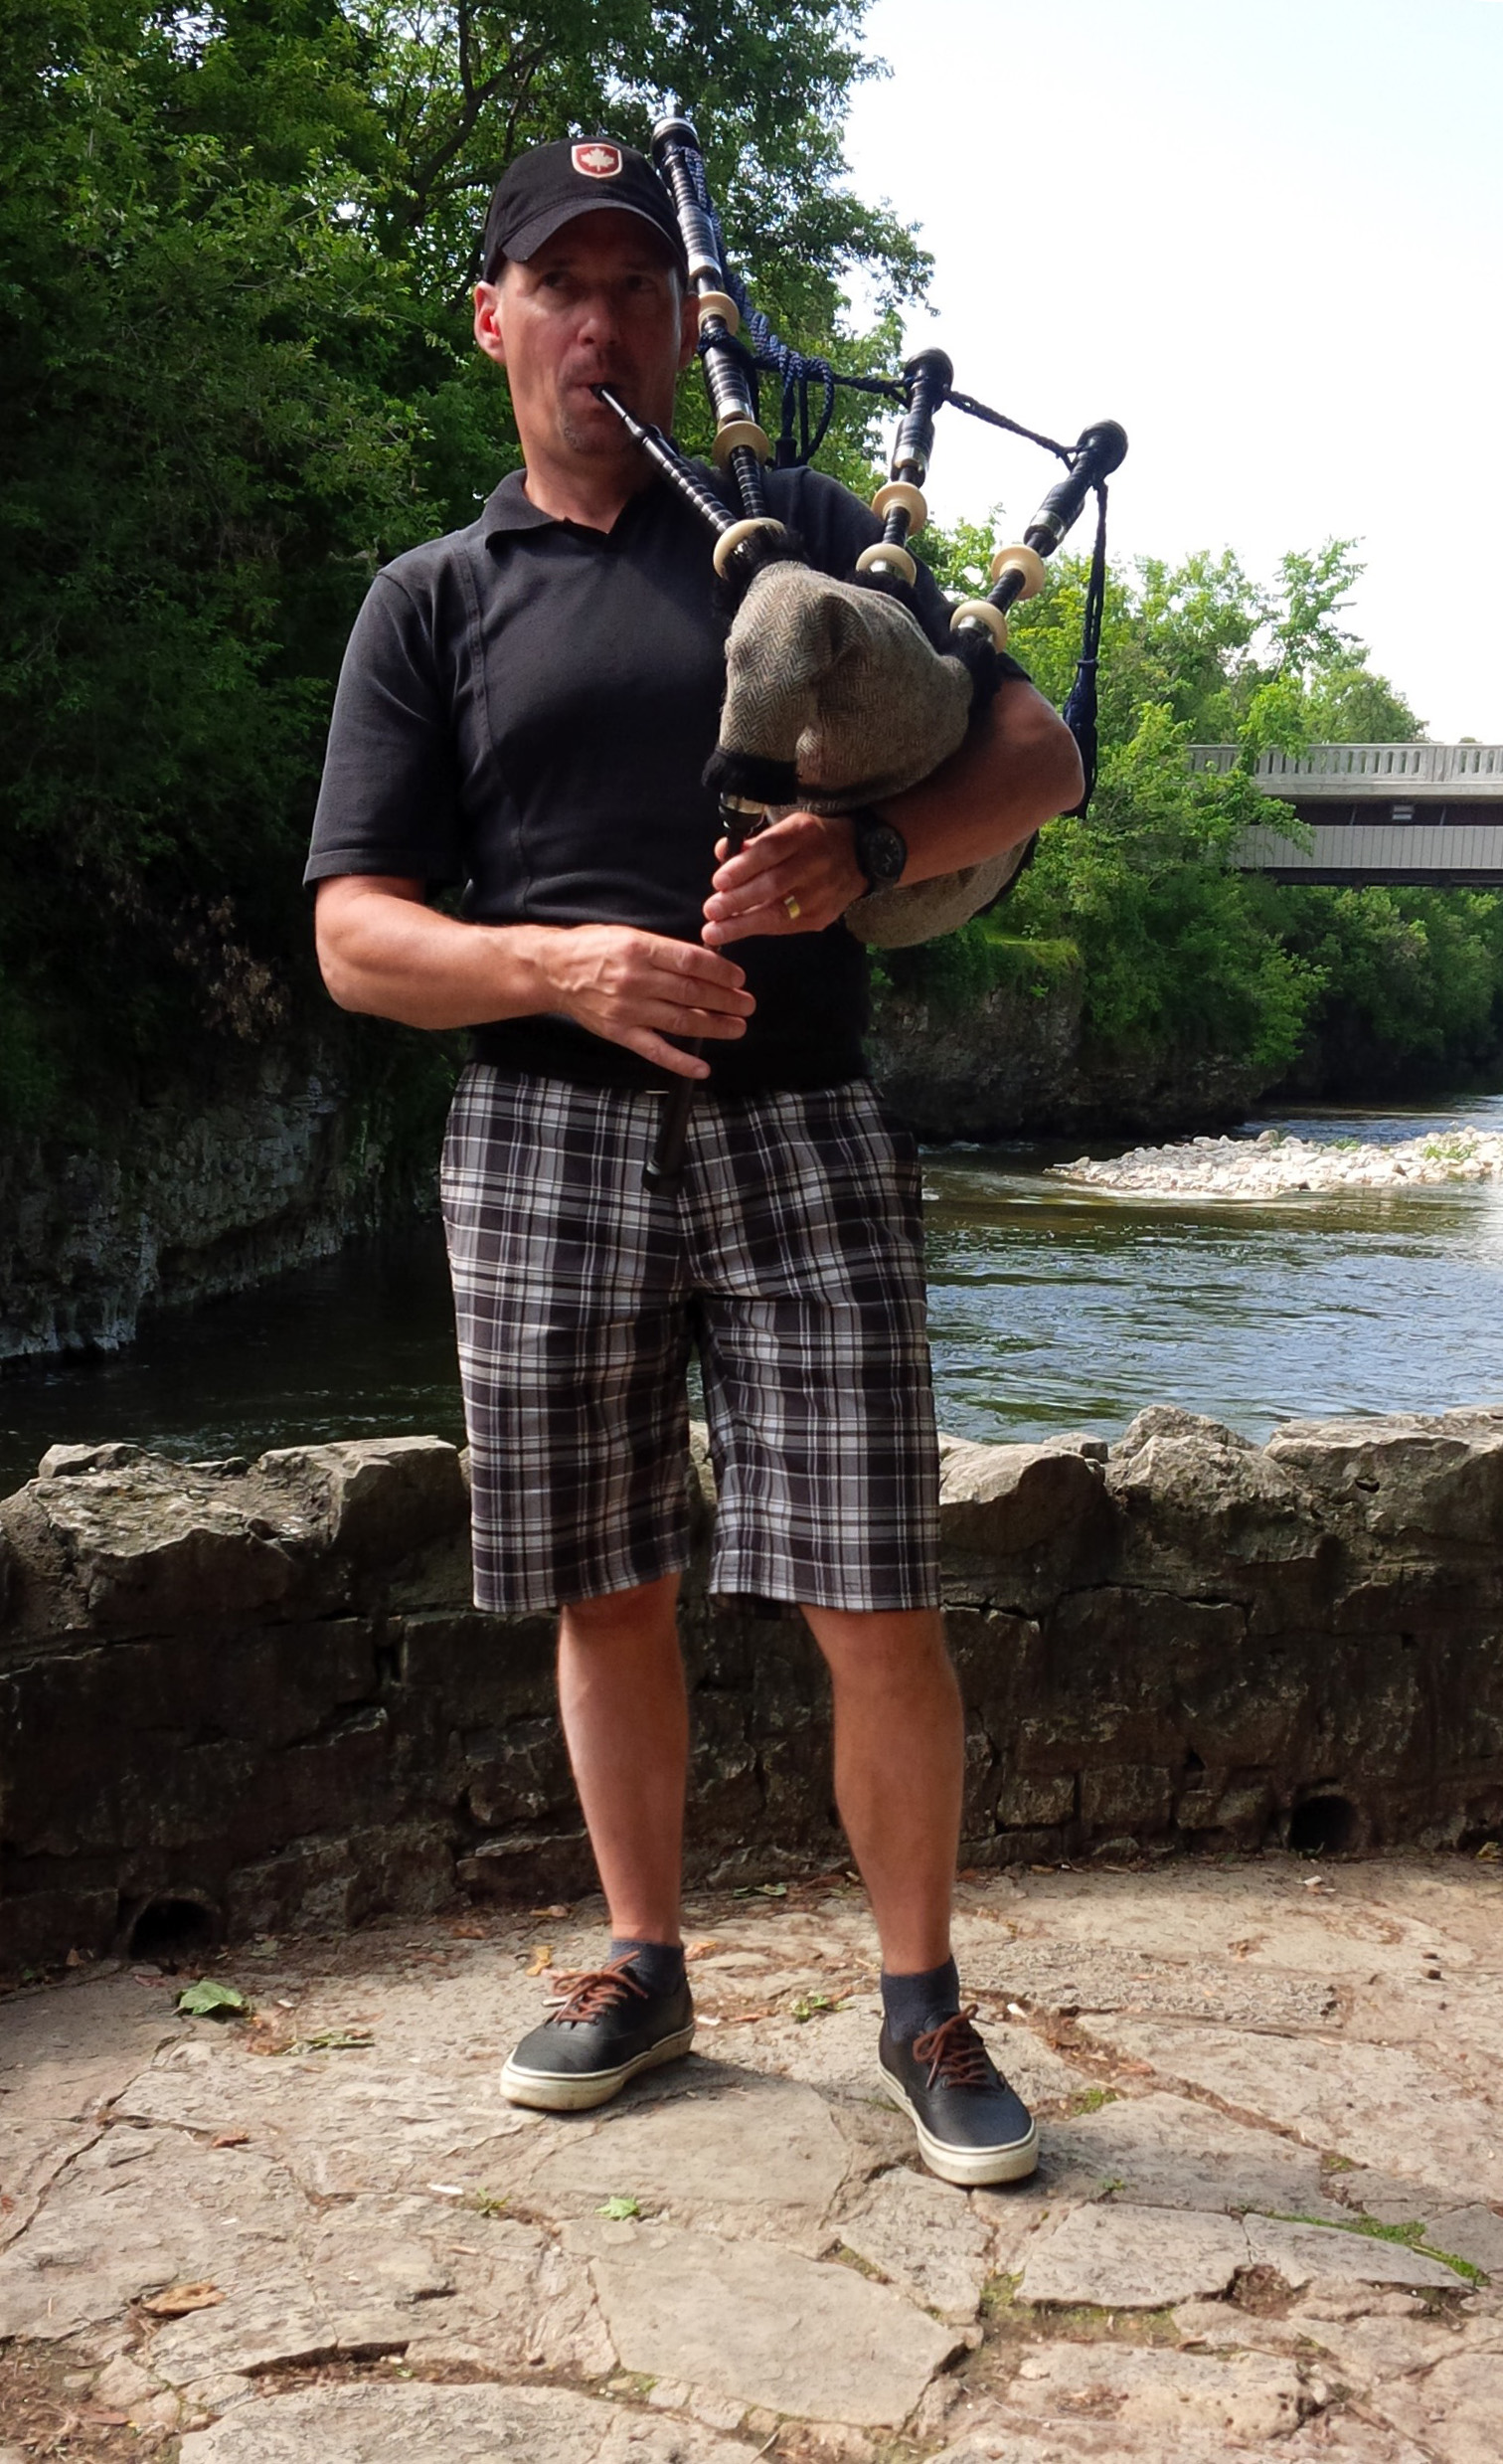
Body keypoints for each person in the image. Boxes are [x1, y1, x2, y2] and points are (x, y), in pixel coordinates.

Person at [307, 137, 1083, 2187]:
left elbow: (1043, 756)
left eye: (637, 286)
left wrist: (879, 847)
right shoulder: (436, 601)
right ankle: (643, 1966)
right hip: (545, 1140)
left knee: (871, 1594)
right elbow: (355, 936)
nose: (604, 322)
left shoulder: (791, 527)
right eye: (559, 287)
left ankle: (921, 2002)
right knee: (606, 1588)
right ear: (493, 322)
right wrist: (556, 960)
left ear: (677, 316)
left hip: (806, 1131)